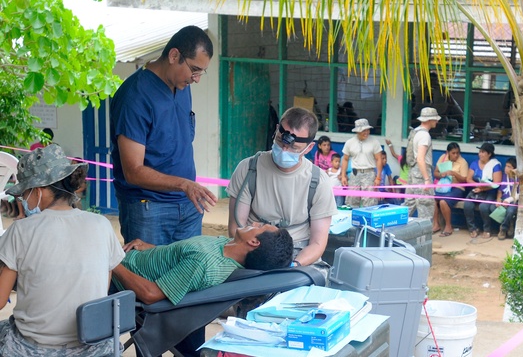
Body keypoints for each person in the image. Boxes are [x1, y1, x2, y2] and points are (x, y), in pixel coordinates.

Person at [0, 144, 124, 356]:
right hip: (94, 346)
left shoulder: (21, 231)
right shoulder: (101, 224)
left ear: (38, 190)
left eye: (24, 194)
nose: (23, 200)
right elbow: (100, 289)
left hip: (33, 348)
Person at [110, 25, 217, 246]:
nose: (196, 79)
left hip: (188, 206)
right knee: (149, 277)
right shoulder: (135, 96)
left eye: (201, 73)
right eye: (194, 69)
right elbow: (133, 171)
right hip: (148, 208)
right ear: (174, 55)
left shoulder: (182, 85)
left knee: (187, 276)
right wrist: (184, 185)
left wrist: (187, 189)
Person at [227, 107, 337, 269]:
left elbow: (317, 243)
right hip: (251, 249)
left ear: (309, 148)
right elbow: (236, 228)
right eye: (280, 142)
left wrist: (293, 266)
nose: (284, 150)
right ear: (276, 131)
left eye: (294, 148)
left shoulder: (318, 181)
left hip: (298, 251)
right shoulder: (249, 169)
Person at [112, 223, 293, 305]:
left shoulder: (203, 263)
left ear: (254, 242)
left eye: (259, 226)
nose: (254, 222)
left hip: (114, 280)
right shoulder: (226, 245)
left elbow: (150, 294)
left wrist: (111, 262)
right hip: (126, 260)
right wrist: (152, 248)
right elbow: (181, 256)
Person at [403, 107, 440, 220]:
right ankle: (424, 237)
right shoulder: (424, 136)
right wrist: (427, 179)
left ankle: (392, 230)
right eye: (435, 119)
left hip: (413, 172)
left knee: (409, 204)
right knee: (426, 206)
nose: (437, 121)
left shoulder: (415, 132)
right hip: (421, 173)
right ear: (429, 120)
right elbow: (420, 158)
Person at [463, 143, 503, 242]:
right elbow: (469, 179)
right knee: (467, 204)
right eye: (480, 152)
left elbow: (496, 183)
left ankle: (487, 229)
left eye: (483, 152)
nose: (480, 154)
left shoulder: (495, 165)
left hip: (489, 190)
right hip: (477, 189)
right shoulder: (474, 163)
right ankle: (472, 228)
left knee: (483, 207)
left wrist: (483, 189)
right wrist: (478, 186)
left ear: (489, 154)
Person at [340, 118, 383, 208]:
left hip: (369, 173)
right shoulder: (350, 142)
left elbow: (379, 159)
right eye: (363, 130)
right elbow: (345, 159)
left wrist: (378, 177)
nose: (366, 132)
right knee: (351, 201)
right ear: (357, 131)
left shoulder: (374, 142)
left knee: (369, 202)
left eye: (368, 130)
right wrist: (343, 175)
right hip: (355, 174)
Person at [431, 143, 468, 236]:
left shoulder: (463, 162)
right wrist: (441, 175)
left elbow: (464, 180)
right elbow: (435, 173)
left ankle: (448, 226)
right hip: (443, 187)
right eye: (453, 153)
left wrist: (454, 173)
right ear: (448, 153)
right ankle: (436, 224)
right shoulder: (443, 157)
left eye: (457, 153)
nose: (456, 155)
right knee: (432, 199)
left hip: (457, 188)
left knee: (443, 201)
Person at [494, 157, 519, 240]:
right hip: (504, 200)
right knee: (492, 207)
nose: (506, 168)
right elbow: (500, 191)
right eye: (506, 166)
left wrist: (508, 200)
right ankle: (510, 224)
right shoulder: (504, 177)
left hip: (514, 201)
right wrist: (498, 200)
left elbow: (519, 194)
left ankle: (503, 229)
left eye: (509, 167)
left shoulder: (518, 178)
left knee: (510, 210)